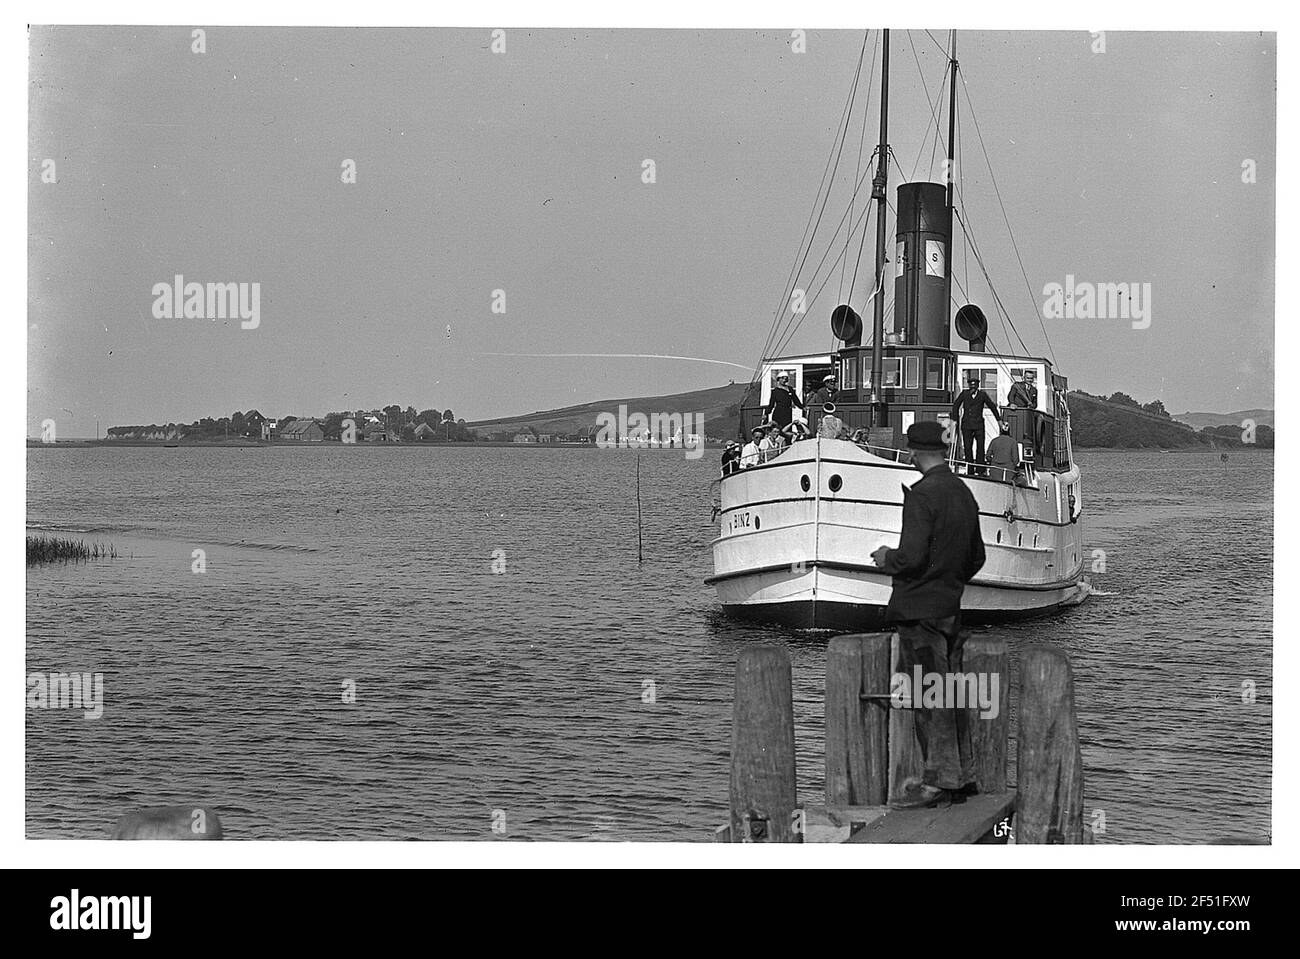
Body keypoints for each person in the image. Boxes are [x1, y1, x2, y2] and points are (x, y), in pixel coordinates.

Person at [870, 421, 986, 809]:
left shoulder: (921, 495)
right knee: (950, 694)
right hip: (949, 609)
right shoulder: (964, 494)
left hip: (918, 610)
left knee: (926, 696)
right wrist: (948, 581)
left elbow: (912, 557)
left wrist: (888, 558)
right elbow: (977, 558)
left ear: (915, 453)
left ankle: (936, 781)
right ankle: (962, 775)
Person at [950, 374, 1001, 475]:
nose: (972, 389)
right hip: (966, 425)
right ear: (969, 386)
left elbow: (992, 406)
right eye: (971, 387)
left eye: (974, 387)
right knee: (968, 448)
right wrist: (955, 421)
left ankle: (980, 469)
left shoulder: (982, 395)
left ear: (977, 386)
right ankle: (970, 470)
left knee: (980, 447)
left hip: (978, 425)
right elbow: (955, 406)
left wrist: (999, 420)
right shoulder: (964, 394)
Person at [985, 421, 1023, 485]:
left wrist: (993, 461)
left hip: (994, 471)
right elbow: (1016, 460)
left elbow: (988, 456)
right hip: (1009, 473)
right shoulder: (1013, 442)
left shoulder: (994, 441)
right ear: (1009, 431)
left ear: (1000, 430)